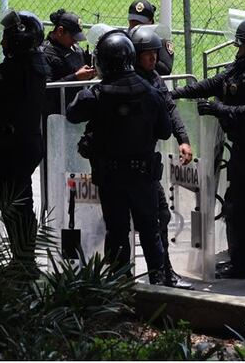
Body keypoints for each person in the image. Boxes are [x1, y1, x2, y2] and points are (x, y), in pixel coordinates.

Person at [170, 14, 245, 287]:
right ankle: (241, 262)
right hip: (243, 149)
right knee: (237, 207)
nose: (239, 48)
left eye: (243, 43)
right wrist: (176, 93)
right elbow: (214, 83)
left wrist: (218, 109)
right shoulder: (244, 66)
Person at [66, 30, 172, 283]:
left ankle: (119, 285)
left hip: (111, 177)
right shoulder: (151, 93)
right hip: (143, 175)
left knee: (117, 232)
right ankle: (159, 284)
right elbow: (165, 132)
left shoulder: (96, 95)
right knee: (150, 231)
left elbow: (72, 113)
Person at [130, 24, 194, 289]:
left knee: (160, 217)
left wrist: (183, 139)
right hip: (126, 166)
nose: (153, 58)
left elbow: (170, 108)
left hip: (146, 164)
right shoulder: (127, 81)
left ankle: (164, 272)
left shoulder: (154, 78)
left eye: (155, 53)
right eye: (147, 54)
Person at [0, 10, 50, 270]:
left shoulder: (14, 70)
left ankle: (23, 261)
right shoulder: (36, 64)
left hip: (16, 145)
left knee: (13, 201)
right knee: (21, 200)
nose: (2, 42)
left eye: (6, 37)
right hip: (27, 142)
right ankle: (23, 259)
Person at [41, 9, 95, 116]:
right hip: (55, 115)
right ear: (60, 31)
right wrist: (75, 78)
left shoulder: (75, 48)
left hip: (75, 112)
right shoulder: (45, 53)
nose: (76, 41)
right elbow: (46, 90)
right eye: (73, 37)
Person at [128, 0, 176, 75]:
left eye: (140, 22)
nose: (136, 25)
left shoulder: (161, 40)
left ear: (151, 22)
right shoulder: (125, 38)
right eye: (133, 21)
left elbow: (165, 70)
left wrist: (145, 54)